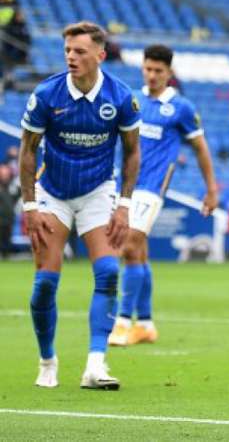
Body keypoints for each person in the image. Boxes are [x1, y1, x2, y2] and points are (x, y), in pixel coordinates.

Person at [18, 21, 141, 389]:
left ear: (100, 55)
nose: (71, 57)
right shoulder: (46, 94)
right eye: (68, 51)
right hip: (52, 193)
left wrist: (124, 205)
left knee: (107, 273)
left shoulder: (120, 97)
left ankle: (95, 366)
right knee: (44, 284)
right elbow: (28, 151)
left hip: (97, 192)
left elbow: (133, 153)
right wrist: (29, 207)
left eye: (80, 51)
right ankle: (47, 361)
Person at [107, 44, 218, 347]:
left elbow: (200, 148)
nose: (152, 75)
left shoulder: (181, 107)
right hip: (125, 186)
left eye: (158, 71)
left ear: (169, 73)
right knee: (138, 252)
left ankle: (120, 322)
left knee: (128, 245)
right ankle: (145, 324)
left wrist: (211, 189)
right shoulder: (133, 100)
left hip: (153, 188)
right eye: (148, 69)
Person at [0, 163, 19, 258]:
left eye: (6, 171)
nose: (4, 174)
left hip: (9, 218)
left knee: (7, 238)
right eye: (2, 171)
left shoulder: (12, 185)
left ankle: (6, 255)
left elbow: (16, 197)